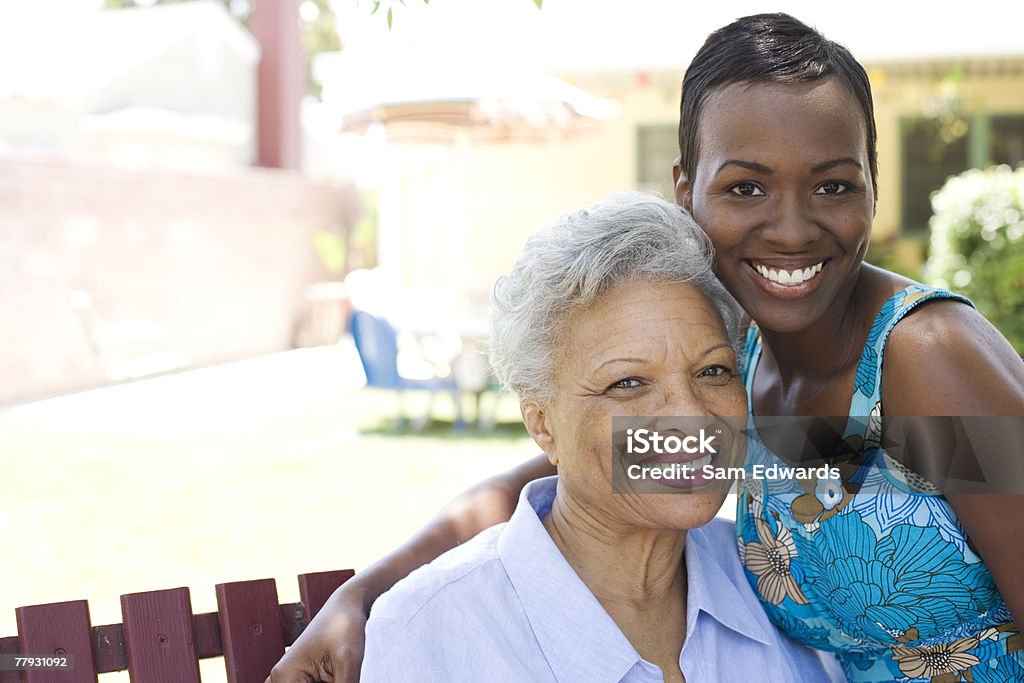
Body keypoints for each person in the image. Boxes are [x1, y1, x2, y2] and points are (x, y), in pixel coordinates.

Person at [269, 13, 1024, 683]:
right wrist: (359, 596)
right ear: (685, 191)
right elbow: (563, 465)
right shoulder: (749, 365)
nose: (792, 228)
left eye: (832, 186)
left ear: (873, 186)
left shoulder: (923, 360)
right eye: (746, 188)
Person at [359, 192, 840, 681]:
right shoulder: (431, 633)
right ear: (543, 424)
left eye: (713, 371)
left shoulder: (786, 577)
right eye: (627, 383)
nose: (692, 415)